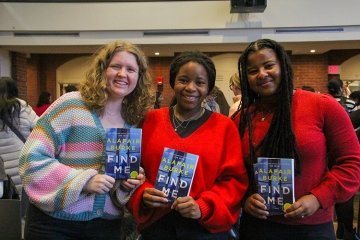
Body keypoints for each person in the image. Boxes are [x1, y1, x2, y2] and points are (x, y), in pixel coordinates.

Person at [19, 40, 154, 240]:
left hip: (105, 227)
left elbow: (115, 188)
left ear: (139, 77)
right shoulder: (71, 105)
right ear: (102, 70)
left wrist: (126, 185)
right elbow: (31, 159)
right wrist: (84, 181)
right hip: (54, 224)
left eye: (131, 69)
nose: (122, 74)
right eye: (115, 66)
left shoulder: (133, 120)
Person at [233, 39, 360, 240]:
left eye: (268, 66)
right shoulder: (243, 119)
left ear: (282, 66)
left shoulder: (322, 106)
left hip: (311, 227)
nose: (262, 74)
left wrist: (319, 198)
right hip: (258, 226)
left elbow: (352, 162)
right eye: (252, 70)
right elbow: (234, 171)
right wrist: (246, 197)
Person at [127, 51, 248, 240]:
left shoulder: (225, 127)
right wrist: (142, 194)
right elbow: (132, 169)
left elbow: (234, 181)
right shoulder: (150, 120)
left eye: (200, 82)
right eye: (183, 80)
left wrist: (203, 207)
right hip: (157, 226)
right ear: (173, 82)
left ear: (209, 88)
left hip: (205, 229)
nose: (190, 88)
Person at [0, 76, 38, 196]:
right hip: (24, 163)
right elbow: (41, 129)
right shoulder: (23, 107)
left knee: (8, 204)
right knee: (24, 206)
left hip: (3, 170)